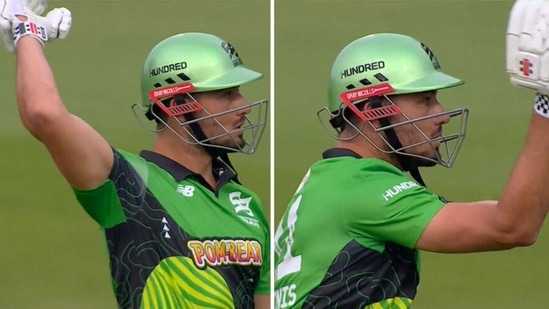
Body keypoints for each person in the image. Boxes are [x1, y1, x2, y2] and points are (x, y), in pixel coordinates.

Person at [274, 0, 549, 308]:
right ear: (372, 110)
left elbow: (512, 218)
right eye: (425, 100)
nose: (442, 115)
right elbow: (511, 226)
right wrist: (546, 104)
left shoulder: (337, 179)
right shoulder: (362, 190)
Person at [0, 0, 270, 308]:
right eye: (226, 95)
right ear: (176, 105)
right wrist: (27, 31)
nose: (244, 106)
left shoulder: (247, 205)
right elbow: (43, 113)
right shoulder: (129, 186)